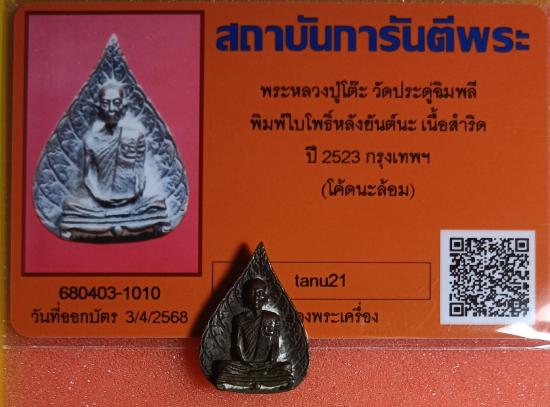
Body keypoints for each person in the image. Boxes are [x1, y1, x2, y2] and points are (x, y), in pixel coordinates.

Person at [59, 81, 170, 240]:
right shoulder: (90, 139)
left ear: (123, 106)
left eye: (116, 103)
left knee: (158, 201)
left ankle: (107, 220)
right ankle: (124, 220)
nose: (111, 109)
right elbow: (88, 175)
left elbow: (139, 170)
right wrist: (99, 196)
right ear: (98, 107)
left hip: (132, 200)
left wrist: (136, 191)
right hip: (99, 201)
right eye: (106, 103)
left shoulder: (135, 135)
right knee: (70, 206)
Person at [215, 278, 293, 392]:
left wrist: (271, 360)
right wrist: (245, 362)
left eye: (260, 293)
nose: (256, 297)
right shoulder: (240, 319)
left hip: (266, 365)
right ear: (246, 297)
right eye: (252, 293)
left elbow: (275, 345)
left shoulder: (272, 318)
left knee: (287, 366)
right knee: (223, 366)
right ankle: (263, 379)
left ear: (266, 297)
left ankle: (249, 378)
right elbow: (237, 346)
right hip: (245, 365)